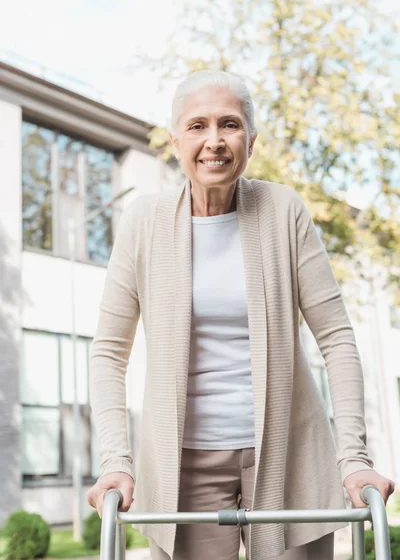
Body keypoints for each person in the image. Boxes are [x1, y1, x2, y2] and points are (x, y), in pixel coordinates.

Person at [87, 70, 394, 560]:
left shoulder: (284, 210)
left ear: (251, 139)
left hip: (289, 452)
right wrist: (115, 462)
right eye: (197, 126)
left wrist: (353, 458)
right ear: (174, 140)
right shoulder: (143, 222)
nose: (214, 141)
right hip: (184, 465)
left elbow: (335, 336)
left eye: (229, 125)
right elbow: (108, 354)